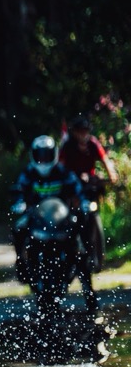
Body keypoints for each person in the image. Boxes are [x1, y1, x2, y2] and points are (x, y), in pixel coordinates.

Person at [9, 134, 91, 284]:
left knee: (79, 244)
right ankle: (21, 264)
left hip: (62, 218)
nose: (44, 160)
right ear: (33, 155)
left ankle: (88, 288)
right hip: (35, 218)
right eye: (40, 156)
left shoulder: (63, 172)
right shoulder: (28, 173)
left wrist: (84, 202)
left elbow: (77, 188)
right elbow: (19, 189)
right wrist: (19, 203)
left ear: (54, 154)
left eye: (47, 156)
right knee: (18, 229)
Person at [58, 115, 114, 271]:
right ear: (75, 133)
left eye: (86, 131)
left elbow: (105, 160)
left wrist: (111, 175)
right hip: (72, 187)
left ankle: (95, 254)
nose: (84, 134)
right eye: (80, 131)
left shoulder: (93, 144)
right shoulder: (67, 146)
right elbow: (60, 167)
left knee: (92, 210)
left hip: (89, 187)